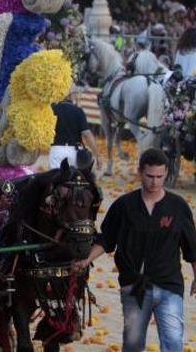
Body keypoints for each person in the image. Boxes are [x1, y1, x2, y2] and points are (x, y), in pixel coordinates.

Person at [74, 149, 196, 352]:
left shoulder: (178, 207)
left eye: (160, 176)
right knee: (132, 345)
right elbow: (106, 240)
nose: (155, 182)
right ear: (140, 172)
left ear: (166, 172)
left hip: (170, 286)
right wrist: (86, 260)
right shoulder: (124, 205)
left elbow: (191, 247)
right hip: (134, 286)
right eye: (150, 176)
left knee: (174, 343)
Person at [49, 90, 101, 171]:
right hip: (74, 152)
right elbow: (87, 134)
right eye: (76, 94)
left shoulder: (52, 109)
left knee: (56, 181)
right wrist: (97, 155)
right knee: (73, 182)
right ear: (71, 96)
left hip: (56, 150)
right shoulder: (78, 111)